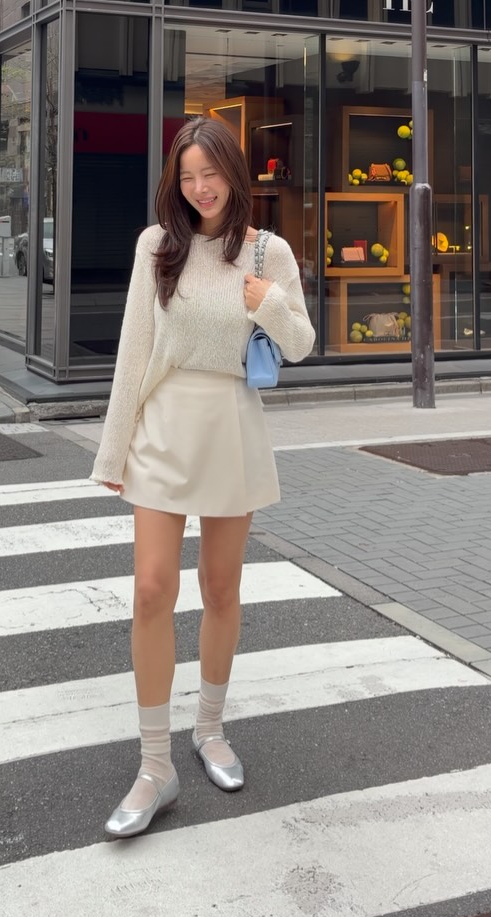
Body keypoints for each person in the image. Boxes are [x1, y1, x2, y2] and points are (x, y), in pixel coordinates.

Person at [90, 116, 315, 838]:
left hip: (231, 427)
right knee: (151, 588)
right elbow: (133, 349)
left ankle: (210, 729)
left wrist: (268, 302)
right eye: (186, 177)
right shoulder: (157, 246)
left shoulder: (267, 251)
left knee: (221, 588)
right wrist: (113, 452)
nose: (199, 188)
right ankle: (155, 764)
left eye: (210, 173)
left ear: (233, 173)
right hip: (162, 426)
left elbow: (301, 344)